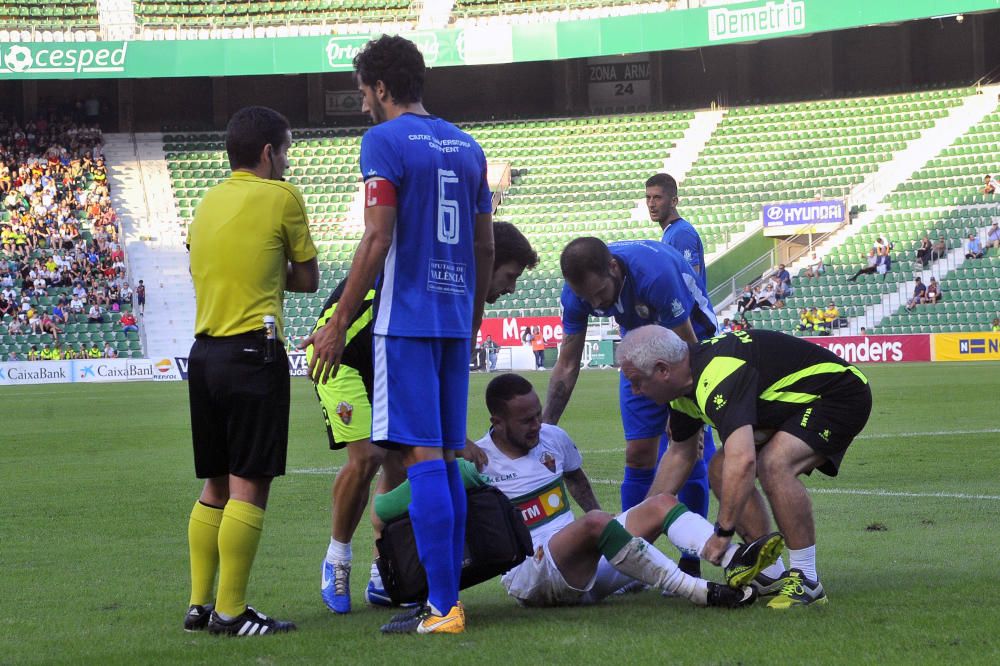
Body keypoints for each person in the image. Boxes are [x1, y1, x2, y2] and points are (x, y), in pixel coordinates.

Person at [303, 35, 493, 636]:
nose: (363, 105)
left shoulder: (383, 142)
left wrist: (337, 323)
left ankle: (442, 607)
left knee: (421, 458)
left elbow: (377, 238)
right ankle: (445, 598)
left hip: (405, 322)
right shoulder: (468, 146)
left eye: (363, 93)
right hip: (453, 322)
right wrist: (472, 316)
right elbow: (485, 244)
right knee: (440, 451)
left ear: (381, 88)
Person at [374, 374, 782, 610]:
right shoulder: (478, 462)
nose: (537, 426)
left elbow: (576, 478)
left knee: (661, 504)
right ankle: (699, 592)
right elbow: (387, 508)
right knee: (596, 525)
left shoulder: (553, 438)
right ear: (497, 422)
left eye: (537, 416)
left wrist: (606, 523)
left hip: (585, 560)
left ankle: (743, 565)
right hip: (532, 576)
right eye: (525, 421)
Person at [305, 221, 537, 616]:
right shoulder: (439, 274)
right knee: (368, 457)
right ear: (489, 259)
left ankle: (385, 570)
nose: (511, 288)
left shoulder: (460, 289)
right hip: (341, 356)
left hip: (389, 365)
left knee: (402, 462)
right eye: (510, 276)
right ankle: (337, 559)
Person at [183, 105, 319, 637]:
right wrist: (270, 265)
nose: (286, 162)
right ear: (269, 153)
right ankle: (232, 611)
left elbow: (201, 260)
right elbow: (306, 278)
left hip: (204, 355)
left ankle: (199, 606)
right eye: (285, 151)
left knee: (214, 484)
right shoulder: (281, 196)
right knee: (249, 486)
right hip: (253, 354)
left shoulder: (207, 200)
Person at [618, 325, 872, 608]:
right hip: (789, 405)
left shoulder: (718, 374)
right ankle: (769, 572)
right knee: (719, 467)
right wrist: (632, 538)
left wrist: (722, 534)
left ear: (663, 369)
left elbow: (744, 461)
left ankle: (807, 579)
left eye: (637, 381)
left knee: (773, 464)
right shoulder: (681, 392)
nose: (635, 391)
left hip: (838, 395)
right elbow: (680, 455)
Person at [544, 237, 719, 578]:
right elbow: (567, 363)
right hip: (639, 348)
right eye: (587, 298)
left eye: (600, 293)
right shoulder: (578, 294)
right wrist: (546, 428)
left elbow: (687, 350)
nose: (596, 303)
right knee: (638, 454)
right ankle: (635, 560)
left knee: (689, 450)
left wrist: (686, 412)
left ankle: (690, 560)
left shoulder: (655, 275)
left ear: (613, 268)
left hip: (693, 348)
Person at [645, 173, 706, 292]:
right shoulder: (672, 231)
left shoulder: (681, 233)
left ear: (673, 201)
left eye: (657, 197)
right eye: (648, 197)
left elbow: (690, 282)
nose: (651, 204)